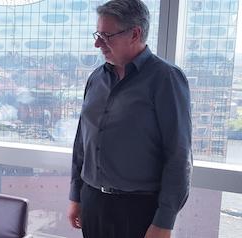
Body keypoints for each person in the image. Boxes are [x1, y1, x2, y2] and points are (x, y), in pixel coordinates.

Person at [67, 1, 192, 238]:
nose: (97, 44)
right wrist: (76, 195)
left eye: (105, 36)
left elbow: (178, 155)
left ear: (134, 33)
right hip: (93, 202)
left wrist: (164, 222)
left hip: (138, 210)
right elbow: (81, 143)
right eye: (97, 34)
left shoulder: (166, 79)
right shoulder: (96, 78)